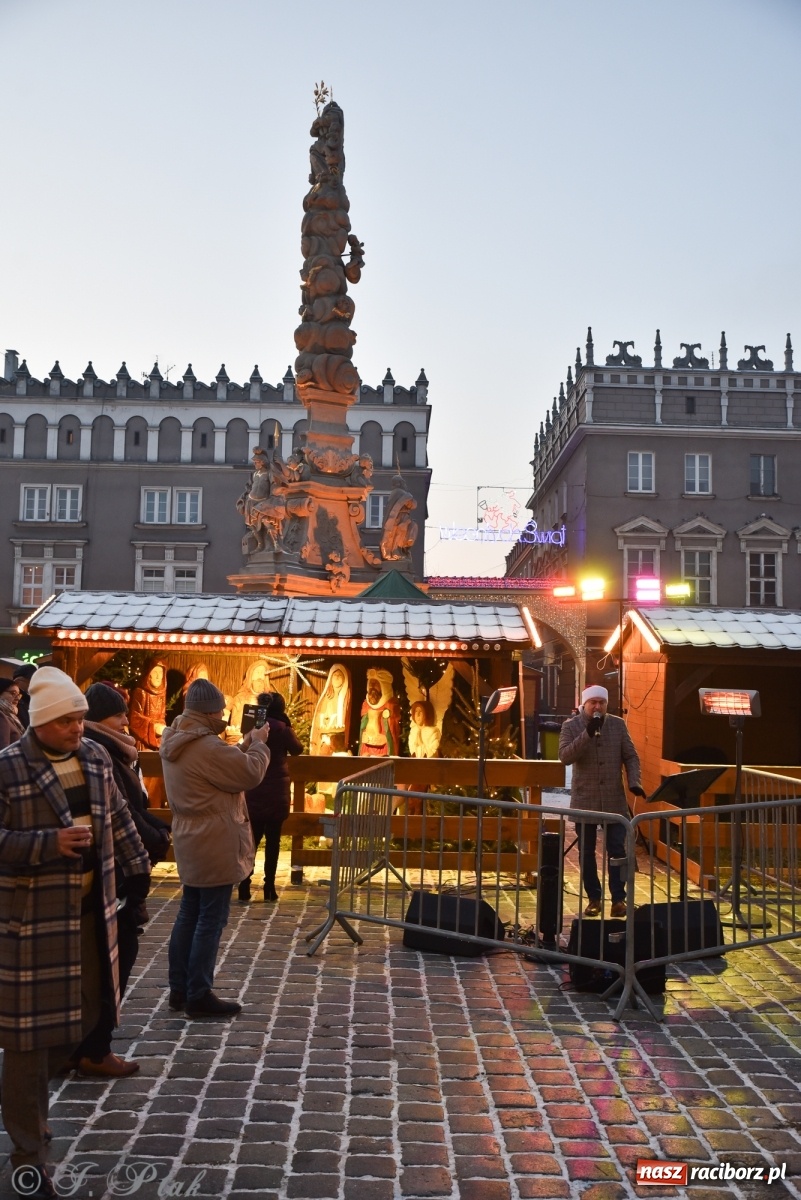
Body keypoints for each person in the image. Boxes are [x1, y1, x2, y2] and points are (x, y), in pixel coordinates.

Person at [0, 667, 150, 1199]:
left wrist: (138, 869)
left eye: (80, 718)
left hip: (91, 915)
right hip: (32, 923)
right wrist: (47, 843)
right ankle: (29, 1154)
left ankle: (36, 1082)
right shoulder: (9, 766)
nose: (76, 728)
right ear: (40, 721)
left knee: (85, 1016)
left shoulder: (95, 757)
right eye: (66, 720)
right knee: (28, 1044)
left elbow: (120, 817)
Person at [72, 682, 171, 1078]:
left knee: (109, 956)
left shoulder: (114, 751)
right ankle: (94, 1048)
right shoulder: (100, 753)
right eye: (119, 715)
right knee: (114, 957)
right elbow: (121, 812)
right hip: (109, 875)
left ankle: (84, 1046)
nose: (126, 722)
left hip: (117, 868)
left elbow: (132, 807)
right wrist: (156, 839)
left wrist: (156, 830)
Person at [160, 678, 270, 1018]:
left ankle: (179, 989)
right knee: (210, 919)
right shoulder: (207, 746)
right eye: (220, 710)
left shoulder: (177, 737)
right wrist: (259, 745)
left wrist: (244, 743)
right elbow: (248, 773)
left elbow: (221, 766)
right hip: (215, 840)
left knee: (189, 913)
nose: (224, 715)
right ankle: (199, 994)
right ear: (209, 712)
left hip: (190, 837)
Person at [558, 684, 645, 918]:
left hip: (613, 798)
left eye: (602, 702)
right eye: (593, 702)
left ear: (607, 704)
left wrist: (634, 782)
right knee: (586, 852)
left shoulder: (617, 725)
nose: (597, 706)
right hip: (584, 798)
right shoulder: (570, 726)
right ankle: (593, 898)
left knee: (617, 850)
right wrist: (587, 734)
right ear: (584, 704)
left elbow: (631, 756)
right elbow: (565, 756)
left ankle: (618, 899)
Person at [239, 692, 304, 903]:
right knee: (273, 842)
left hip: (255, 788)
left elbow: (244, 746)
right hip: (277, 791)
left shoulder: (254, 725)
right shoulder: (283, 729)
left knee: (252, 841)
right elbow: (297, 749)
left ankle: (244, 885)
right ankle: (269, 888)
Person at [310, 663, 350, 755]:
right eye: (335, 675)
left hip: (336, 736)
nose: (337, 677)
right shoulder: (327, 695)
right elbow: (321, 714)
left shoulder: (345, 696)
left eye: (340, 675)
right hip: (325, 733)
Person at [358, 669, 401, 757]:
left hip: (383, 748)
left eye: (375, 683)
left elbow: (392, 730)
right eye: (371, 683)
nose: (372, 686)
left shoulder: (390, 705)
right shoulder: (366, 705)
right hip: (367, 746)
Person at [129, 657, 168, 752]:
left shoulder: (162, 694)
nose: (158, 676)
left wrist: (162, 727)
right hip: (143, 741)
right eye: (155, 672)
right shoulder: (140, 692)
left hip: (158, 740)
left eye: (160, 673)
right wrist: (153, 727)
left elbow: (162, 717)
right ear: (148, 674)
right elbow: (134, 719)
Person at [0, 678, 25, 749]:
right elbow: (3, 749)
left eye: (18, 695)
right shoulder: (1, 716)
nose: (17, 698)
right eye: (13, 693)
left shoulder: (12, 716)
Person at [12, 662, 37, 729]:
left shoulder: (29, 699)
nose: (34, 685)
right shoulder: (15, 701)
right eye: (30, 682)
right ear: (18, 681)